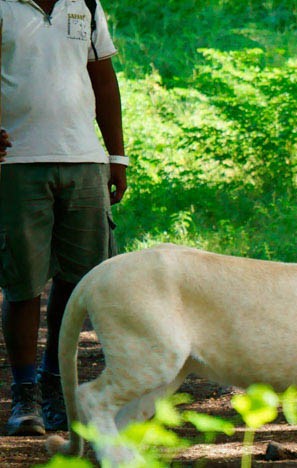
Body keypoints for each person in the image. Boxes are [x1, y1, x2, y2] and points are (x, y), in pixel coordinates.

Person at [0, 0, 127, 436]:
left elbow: (103, 80)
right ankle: (25, 398)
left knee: (80, 284)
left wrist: (117, 155)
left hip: (84, 161)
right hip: (16, 163)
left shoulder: (86, 4)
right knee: (23, 285)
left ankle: (58, 390)